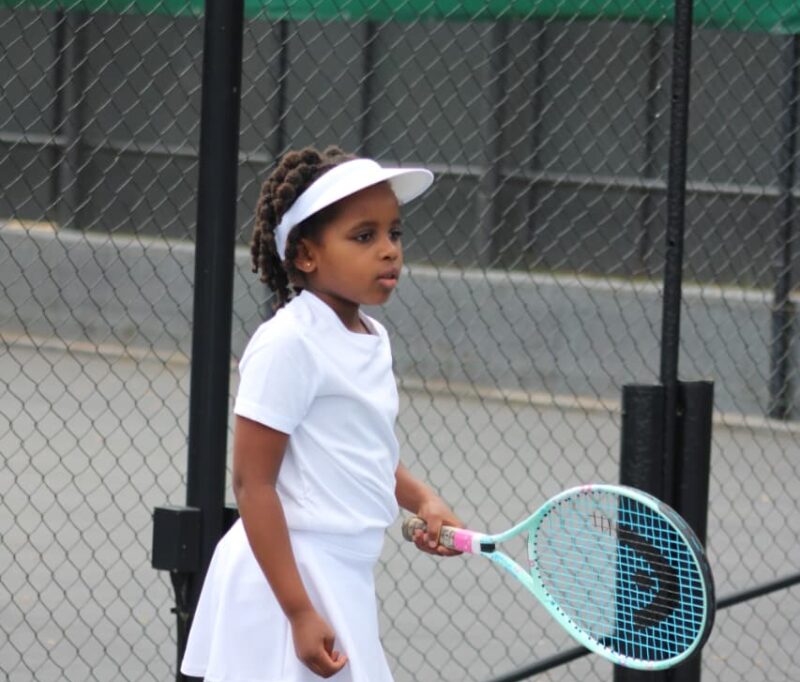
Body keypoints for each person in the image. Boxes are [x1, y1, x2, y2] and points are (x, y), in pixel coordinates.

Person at [180, 145, 462, 682]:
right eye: (364, 236)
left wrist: (424, 499)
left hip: (341, 576)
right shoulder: (288, 343)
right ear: (307, 255)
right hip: (284, 584)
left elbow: (362, 450)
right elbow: (253, 484)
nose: (389, 250)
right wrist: (298, 611)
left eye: (394, 233)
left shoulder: (372, 337)